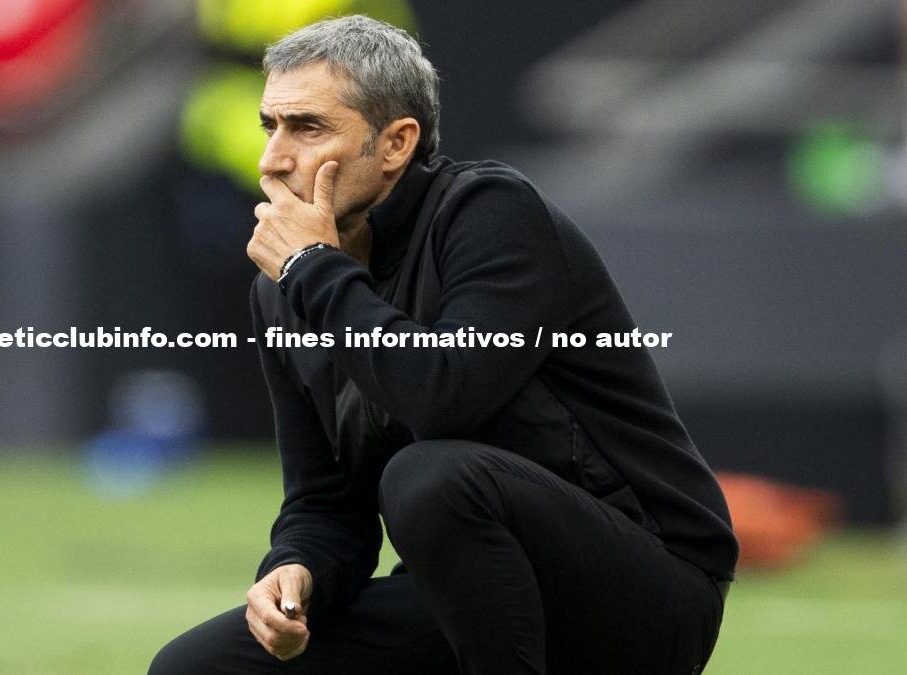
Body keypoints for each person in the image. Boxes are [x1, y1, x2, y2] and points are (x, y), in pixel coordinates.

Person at [150, 15, 738, 675]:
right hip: (478, 596)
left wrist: (313, 268)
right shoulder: (285, 290)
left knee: (428, 476)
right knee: (196, 666)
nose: (272, 159)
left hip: (648, 589)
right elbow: (325, 503)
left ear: (396, 143)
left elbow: (443, 396)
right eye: (271, 127)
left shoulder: (489, 212)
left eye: (308, 128)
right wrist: (296, 567)